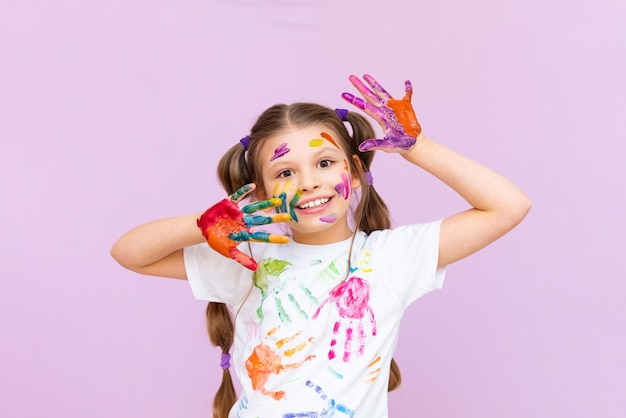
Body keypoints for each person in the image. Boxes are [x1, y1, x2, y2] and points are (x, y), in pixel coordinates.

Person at [110, 74, 531, 418]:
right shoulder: (248, 256)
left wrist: (419, 149)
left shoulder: (388, 258)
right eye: (285, 171)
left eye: (325, 163)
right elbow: (128, 252)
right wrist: (201, 225)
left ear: (354, 167)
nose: (309, 182)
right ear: (260, 192)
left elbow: (509, 207)